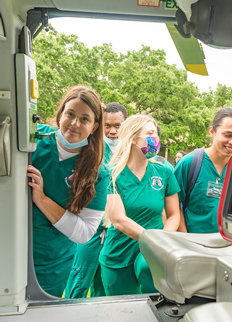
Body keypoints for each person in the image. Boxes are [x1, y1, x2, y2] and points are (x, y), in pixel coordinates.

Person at [27, 85, 109, 297]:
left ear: (94, 127)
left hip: (50, 263)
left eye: (84, 119)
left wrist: (42, 199)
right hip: (9, 247)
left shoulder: (97, 172)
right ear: (60, 113)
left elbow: (84, 233)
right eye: (70, 114)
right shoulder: (32, 140)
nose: (75, 123)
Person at [99, 115, 181, 295]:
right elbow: (119, 221)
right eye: (150, 133)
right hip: (119, 253)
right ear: (132, 138)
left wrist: (162, 241)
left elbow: (174, 214)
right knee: (121, 312)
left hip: (153, 253)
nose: (156, 139)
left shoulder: (164, 171)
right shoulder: (110, 174)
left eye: (156, 134)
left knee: (155, 308)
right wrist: (154, 240)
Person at [64, 102, 128, 298]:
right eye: (107, 125)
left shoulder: (130, 152)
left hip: (116, 229)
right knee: (80, 279)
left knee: (104, 284)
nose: (113, 131)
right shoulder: (90, 147)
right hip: (92, 225)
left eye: (118, 126)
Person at [174, 107, 232, 233]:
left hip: (230, 245)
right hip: (194, 244)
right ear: (212, 132)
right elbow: (172, 206)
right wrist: (186, 240)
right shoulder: (189, 163)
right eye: (228, 135)